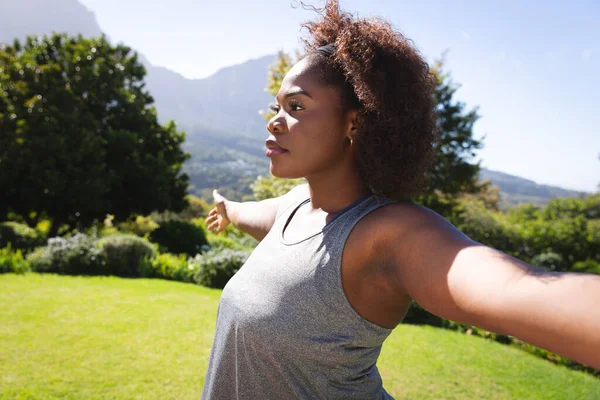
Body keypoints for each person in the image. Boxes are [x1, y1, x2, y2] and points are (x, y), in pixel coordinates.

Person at [201, 1, 600, 398]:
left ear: (353, 122)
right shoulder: (291, 209)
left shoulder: (389, 233)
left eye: (297, 106)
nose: (273, 120)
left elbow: (512, 291)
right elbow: (242, 211)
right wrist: (225, 208)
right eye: (277, 107)